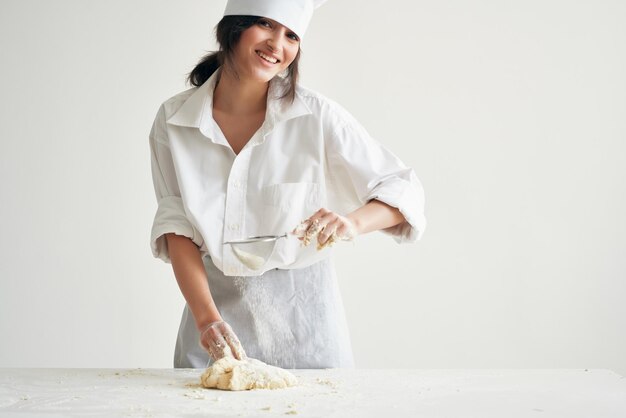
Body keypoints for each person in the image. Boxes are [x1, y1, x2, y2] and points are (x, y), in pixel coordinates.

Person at [149, 0, 426, 369]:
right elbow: (177, 228)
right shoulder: (174, 120)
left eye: (291, 35)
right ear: (233, 27)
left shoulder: (316, 116)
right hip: (213, 325)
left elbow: (402, 187)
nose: (277, 45)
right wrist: (206, 321)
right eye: (265, 24)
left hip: (306, 325)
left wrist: (351, 223)